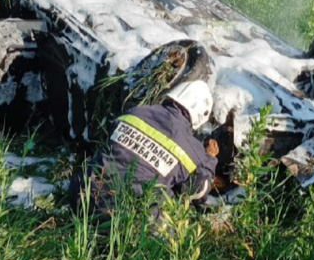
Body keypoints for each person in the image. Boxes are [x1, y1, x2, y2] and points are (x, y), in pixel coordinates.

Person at [68, 80, 220, 217]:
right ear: (201, 115)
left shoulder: (134, 112)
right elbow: (197, 192)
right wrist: (209, 159)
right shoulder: (193, 149)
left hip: (82, 197)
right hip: (128, 216)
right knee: (168, 233)